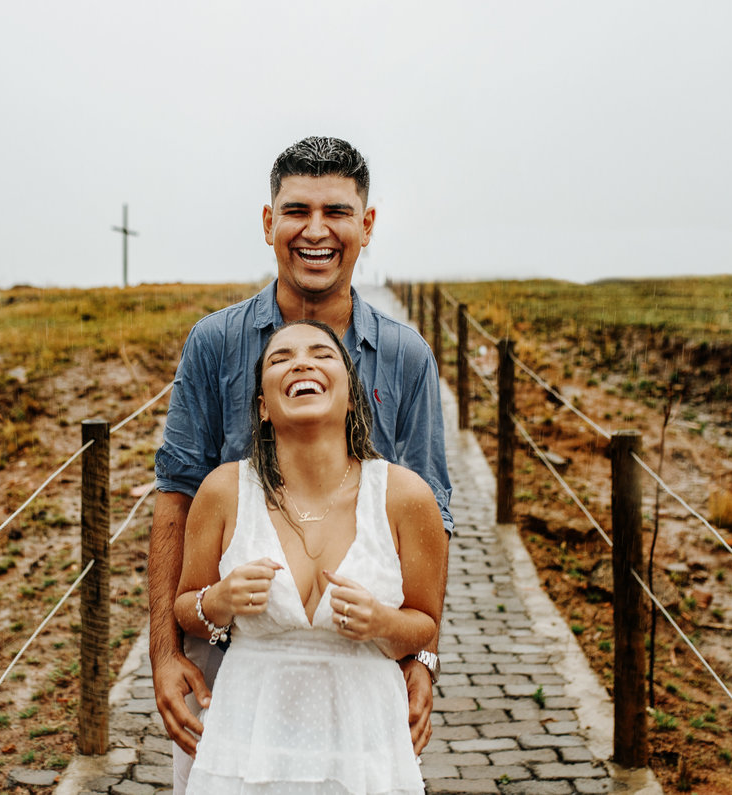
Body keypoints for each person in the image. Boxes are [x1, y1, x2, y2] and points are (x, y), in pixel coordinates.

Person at [149, 136, 452, 790]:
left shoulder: (405, 356)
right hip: (225, 654)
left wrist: (420, 654)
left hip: (360, 665)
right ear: (268, 222)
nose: (316, 230)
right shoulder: (214, 342)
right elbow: (174, 497)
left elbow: (435, 516)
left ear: (366, 226)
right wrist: (164, 653)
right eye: (296, 210)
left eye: (337, 211)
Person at [174, 319, 448, 793]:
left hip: (363, 745)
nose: (301, 362)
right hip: (249, 740)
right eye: (280, 358)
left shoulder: (405, 496)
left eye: (322, 354)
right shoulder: (223, 491)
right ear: (262, 407)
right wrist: (219, 600)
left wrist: (383, 623)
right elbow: (186, 606)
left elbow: (425, 623)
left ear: (350, 395)